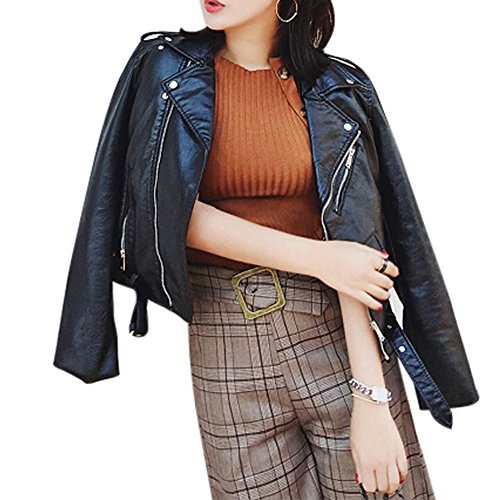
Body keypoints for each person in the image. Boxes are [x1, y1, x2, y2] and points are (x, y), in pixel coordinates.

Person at [184, 0, 431, 498]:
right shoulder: (169, 75)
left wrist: (372, 396)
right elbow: (163, 212)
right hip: (224, 343)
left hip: (335, 330)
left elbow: (356, 242)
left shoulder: (335, 88)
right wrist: (320, 259)